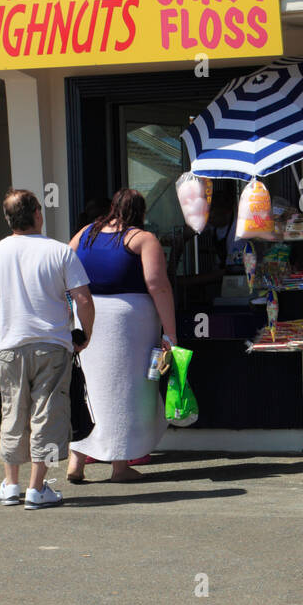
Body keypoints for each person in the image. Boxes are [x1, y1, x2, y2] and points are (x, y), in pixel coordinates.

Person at [0, 189, 94, 510]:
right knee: (48, 415)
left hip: (9, 345)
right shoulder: (59, 252)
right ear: (38, 213)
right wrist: (84, 334)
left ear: (8, 219)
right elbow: (84, 299)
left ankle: (11, 484)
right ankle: (38, 487)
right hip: (51, 344)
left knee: (13, 412)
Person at [66, 189, 178, 483]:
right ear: (141, 213)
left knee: (88, 390)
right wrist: (172, 333)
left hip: (87, 317)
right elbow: (158, 285)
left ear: (112, 208)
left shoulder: (86, 233)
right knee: (124, 392)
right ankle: (120, 466)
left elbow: (63, 264)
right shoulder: (142, 239)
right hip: (129, 323)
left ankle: (76, 461)